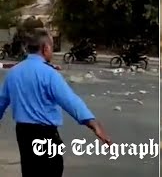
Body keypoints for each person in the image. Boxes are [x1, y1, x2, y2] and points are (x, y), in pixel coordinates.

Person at [0, 28, 112, 177]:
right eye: (51, 47)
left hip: (23, 134)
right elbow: (70, 101)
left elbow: (1, 102)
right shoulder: (49, 74)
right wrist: (93, 124)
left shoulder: (14, 72)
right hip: (46, 135)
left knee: (30, 171)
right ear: (45, 48)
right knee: (51, 171)